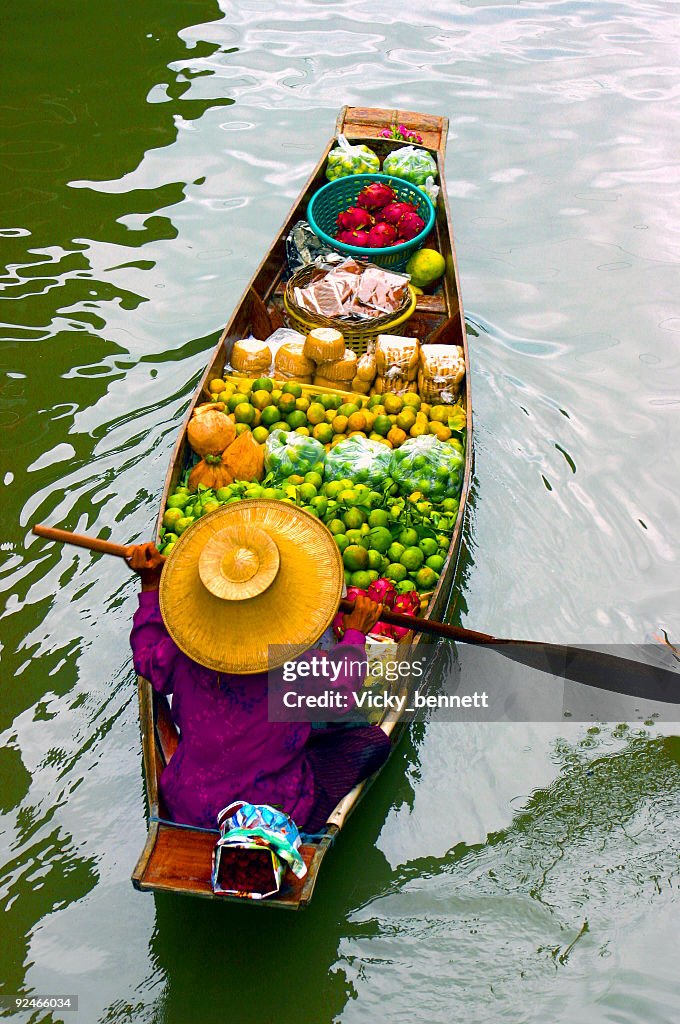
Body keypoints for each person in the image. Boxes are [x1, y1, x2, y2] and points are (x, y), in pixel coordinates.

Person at [127, 504, 391, 834]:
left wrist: (150, 585)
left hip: (190, 804)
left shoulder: (182, 652)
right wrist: (354, 634)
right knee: (371, 742)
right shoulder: (295, 666)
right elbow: (340, 695)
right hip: (273, 810)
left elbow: (146, 657)